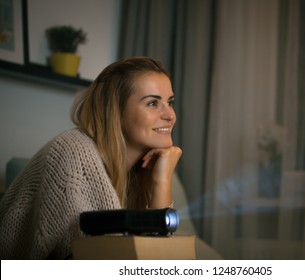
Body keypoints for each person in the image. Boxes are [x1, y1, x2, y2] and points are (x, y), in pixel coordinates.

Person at [0, 56, 182, 259]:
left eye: (170, 102)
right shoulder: (74, 153)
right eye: (152, 103)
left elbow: (160, 264)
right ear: (116, 110)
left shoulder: (144, 169)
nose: (170, 115)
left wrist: (161, 181)